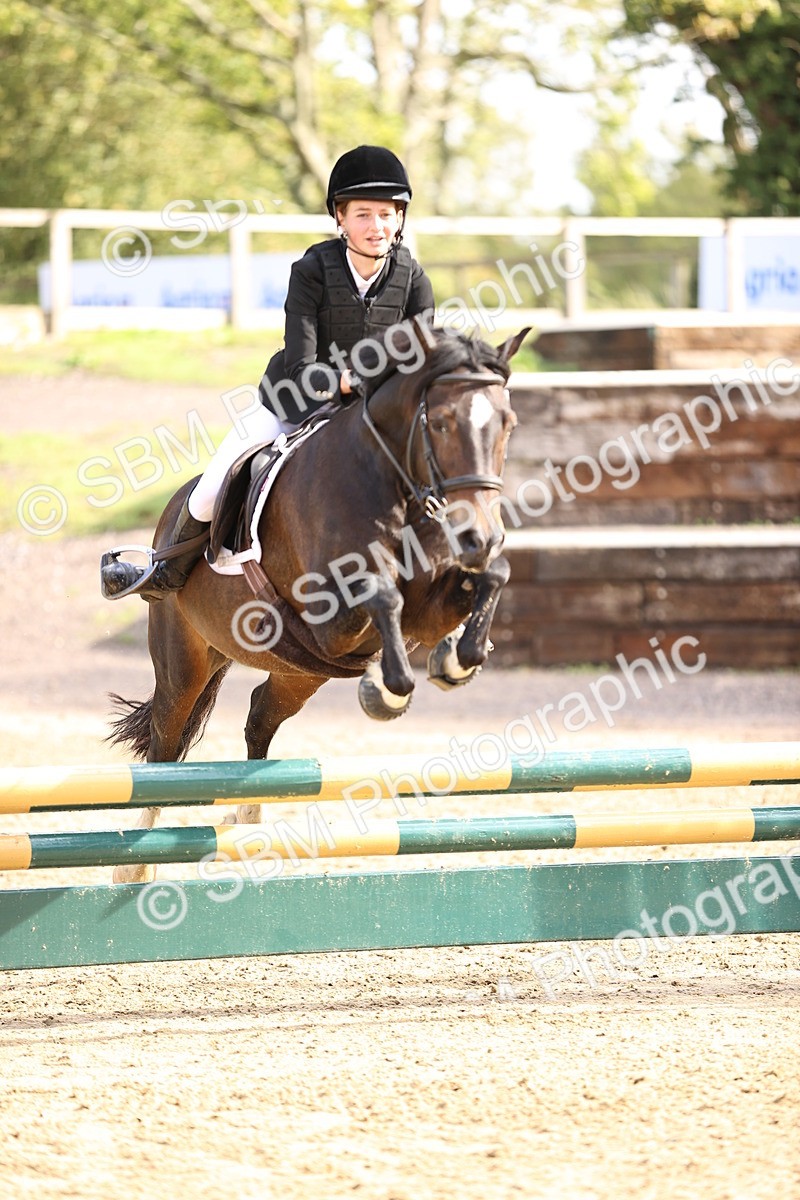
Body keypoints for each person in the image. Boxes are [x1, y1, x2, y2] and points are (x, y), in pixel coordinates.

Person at [101, 145, 435, 600]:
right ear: (340, 218)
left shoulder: (413, 279)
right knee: (212, 486)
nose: (376, 226)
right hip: (294, 401)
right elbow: (300, 363)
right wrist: (346, 381)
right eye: (363, 215)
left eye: (386, 214)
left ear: (400, 218)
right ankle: (164, 572)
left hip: (375, 415)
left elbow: (420, 359)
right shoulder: (312, 271)